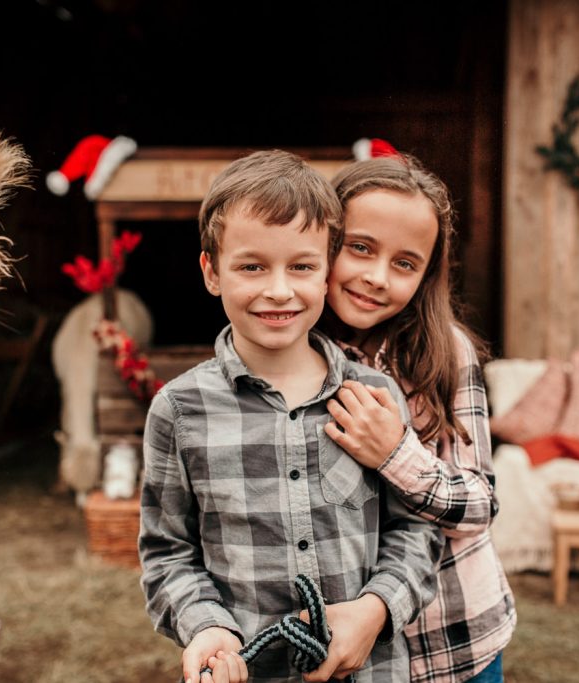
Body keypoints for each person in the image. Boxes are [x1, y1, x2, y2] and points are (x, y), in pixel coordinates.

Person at [138, 150, 442, 683]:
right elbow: (168, 552)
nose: (278, 290)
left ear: (327, 271)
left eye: (301, 266)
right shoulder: (180, 410)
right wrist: (208, 627)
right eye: (252, 266)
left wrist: (375, 610)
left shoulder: (373, 396)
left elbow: (415, 531)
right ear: (211, 272)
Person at [320, 154, 516, 683]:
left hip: (450, 639)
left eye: (405, 263)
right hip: (340, 643)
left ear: (428, 273)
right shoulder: (294, 348)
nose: (376, 277)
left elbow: (481, 502)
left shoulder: (442, 353)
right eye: (359, 248)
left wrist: (395, 454)